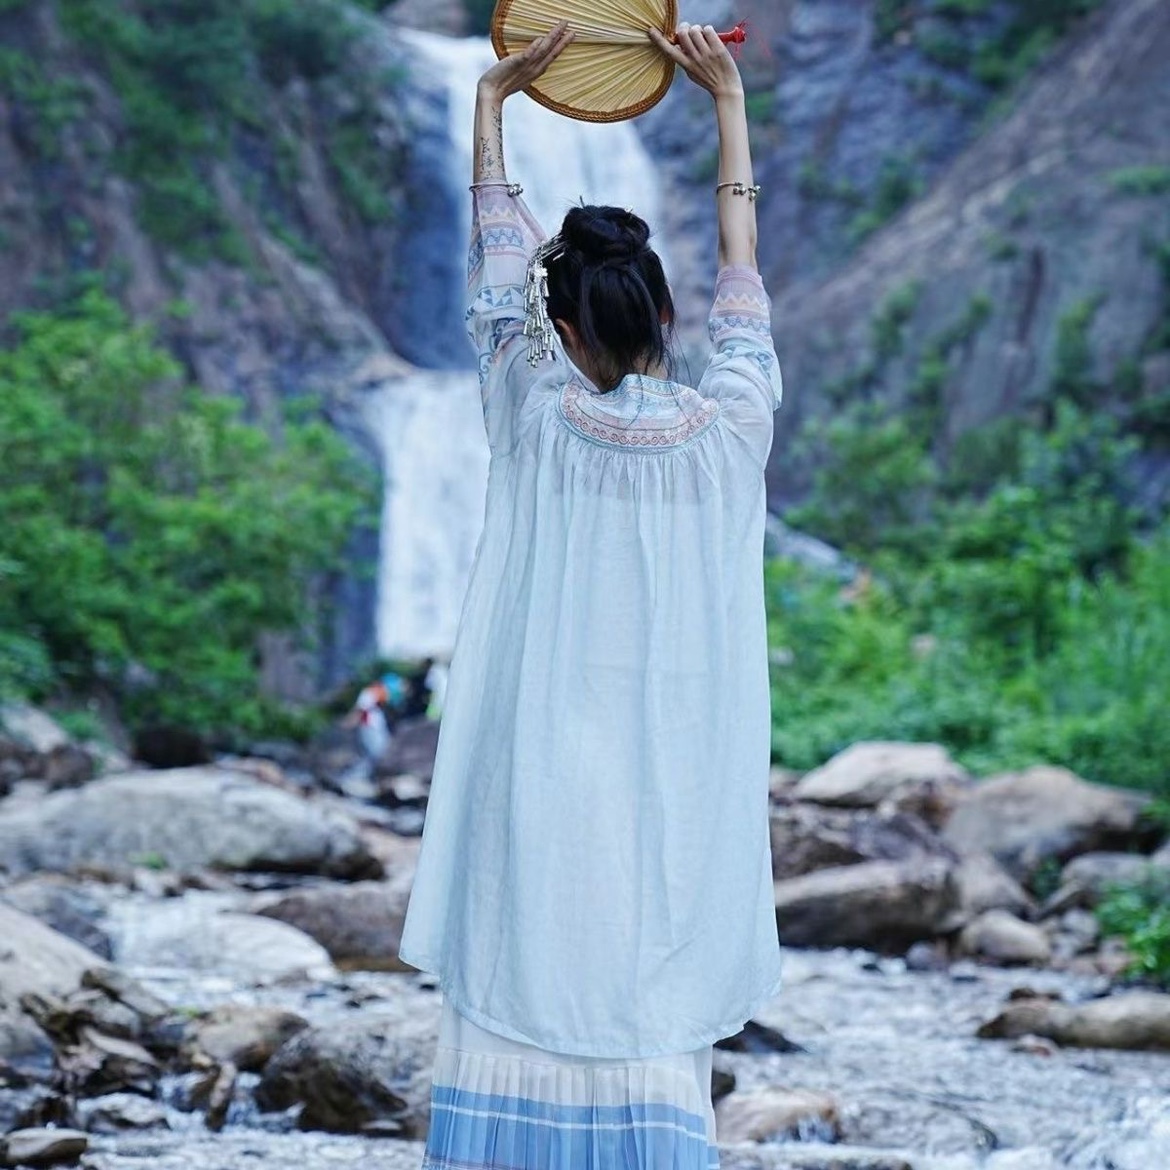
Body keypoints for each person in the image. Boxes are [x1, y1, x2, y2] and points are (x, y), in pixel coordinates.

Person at [399, 20, 785, 1170]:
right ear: (664, 318)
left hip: (539, 789)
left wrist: (491, 107)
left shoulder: (532, 406)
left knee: (519, 982)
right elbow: (745, 285)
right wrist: (728, 107)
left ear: (560, 331)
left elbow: (493, 265)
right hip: (668, 797)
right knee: (646, 1019)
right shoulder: (734, 430)